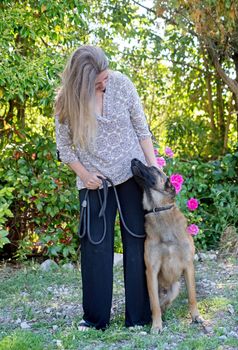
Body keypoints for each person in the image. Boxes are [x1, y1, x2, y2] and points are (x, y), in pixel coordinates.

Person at [54, 45, 159, 331]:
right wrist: (84, 175)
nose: (105, 84)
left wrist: (154, 167)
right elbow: (64, 147)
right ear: (81, 83)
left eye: (105, 78)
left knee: (137, 243)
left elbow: (141, 128)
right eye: (98, 83)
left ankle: (138, 317)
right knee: (96, 249)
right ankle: (94, 320)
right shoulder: (67, 101)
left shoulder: (122, 84)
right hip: (94, 180)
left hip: (130, 173)